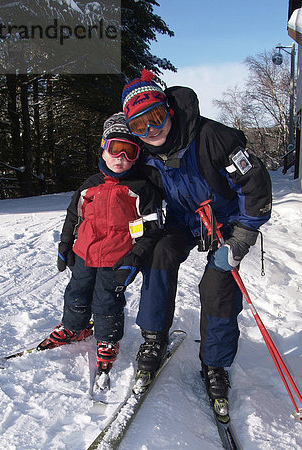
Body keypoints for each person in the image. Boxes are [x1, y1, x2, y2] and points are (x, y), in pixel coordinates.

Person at [122, 70, 272, 419]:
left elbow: (255, 184)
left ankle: (215, 364)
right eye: (140, 125)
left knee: (218, 280)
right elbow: (117, 177)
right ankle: (154, 337)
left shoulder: (213, 138)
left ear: (169, 110)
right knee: (160, 254)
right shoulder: (144, 153)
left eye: (156, 117)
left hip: (225, 220)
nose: (151, 130)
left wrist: (242, 237)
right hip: (181, 219)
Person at [42, 112, 163, 376]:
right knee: (76, 293)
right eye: (115, 149)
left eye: (129, 151)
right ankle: (75, 327)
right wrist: (65, 245)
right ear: (103, 149)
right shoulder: (89, 186)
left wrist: (135, 257)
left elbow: (152, 227)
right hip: (84, 254)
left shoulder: (141, 188)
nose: (121, 158)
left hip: (116, 258)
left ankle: (107, 340)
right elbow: (74, 216)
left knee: (107, 301)